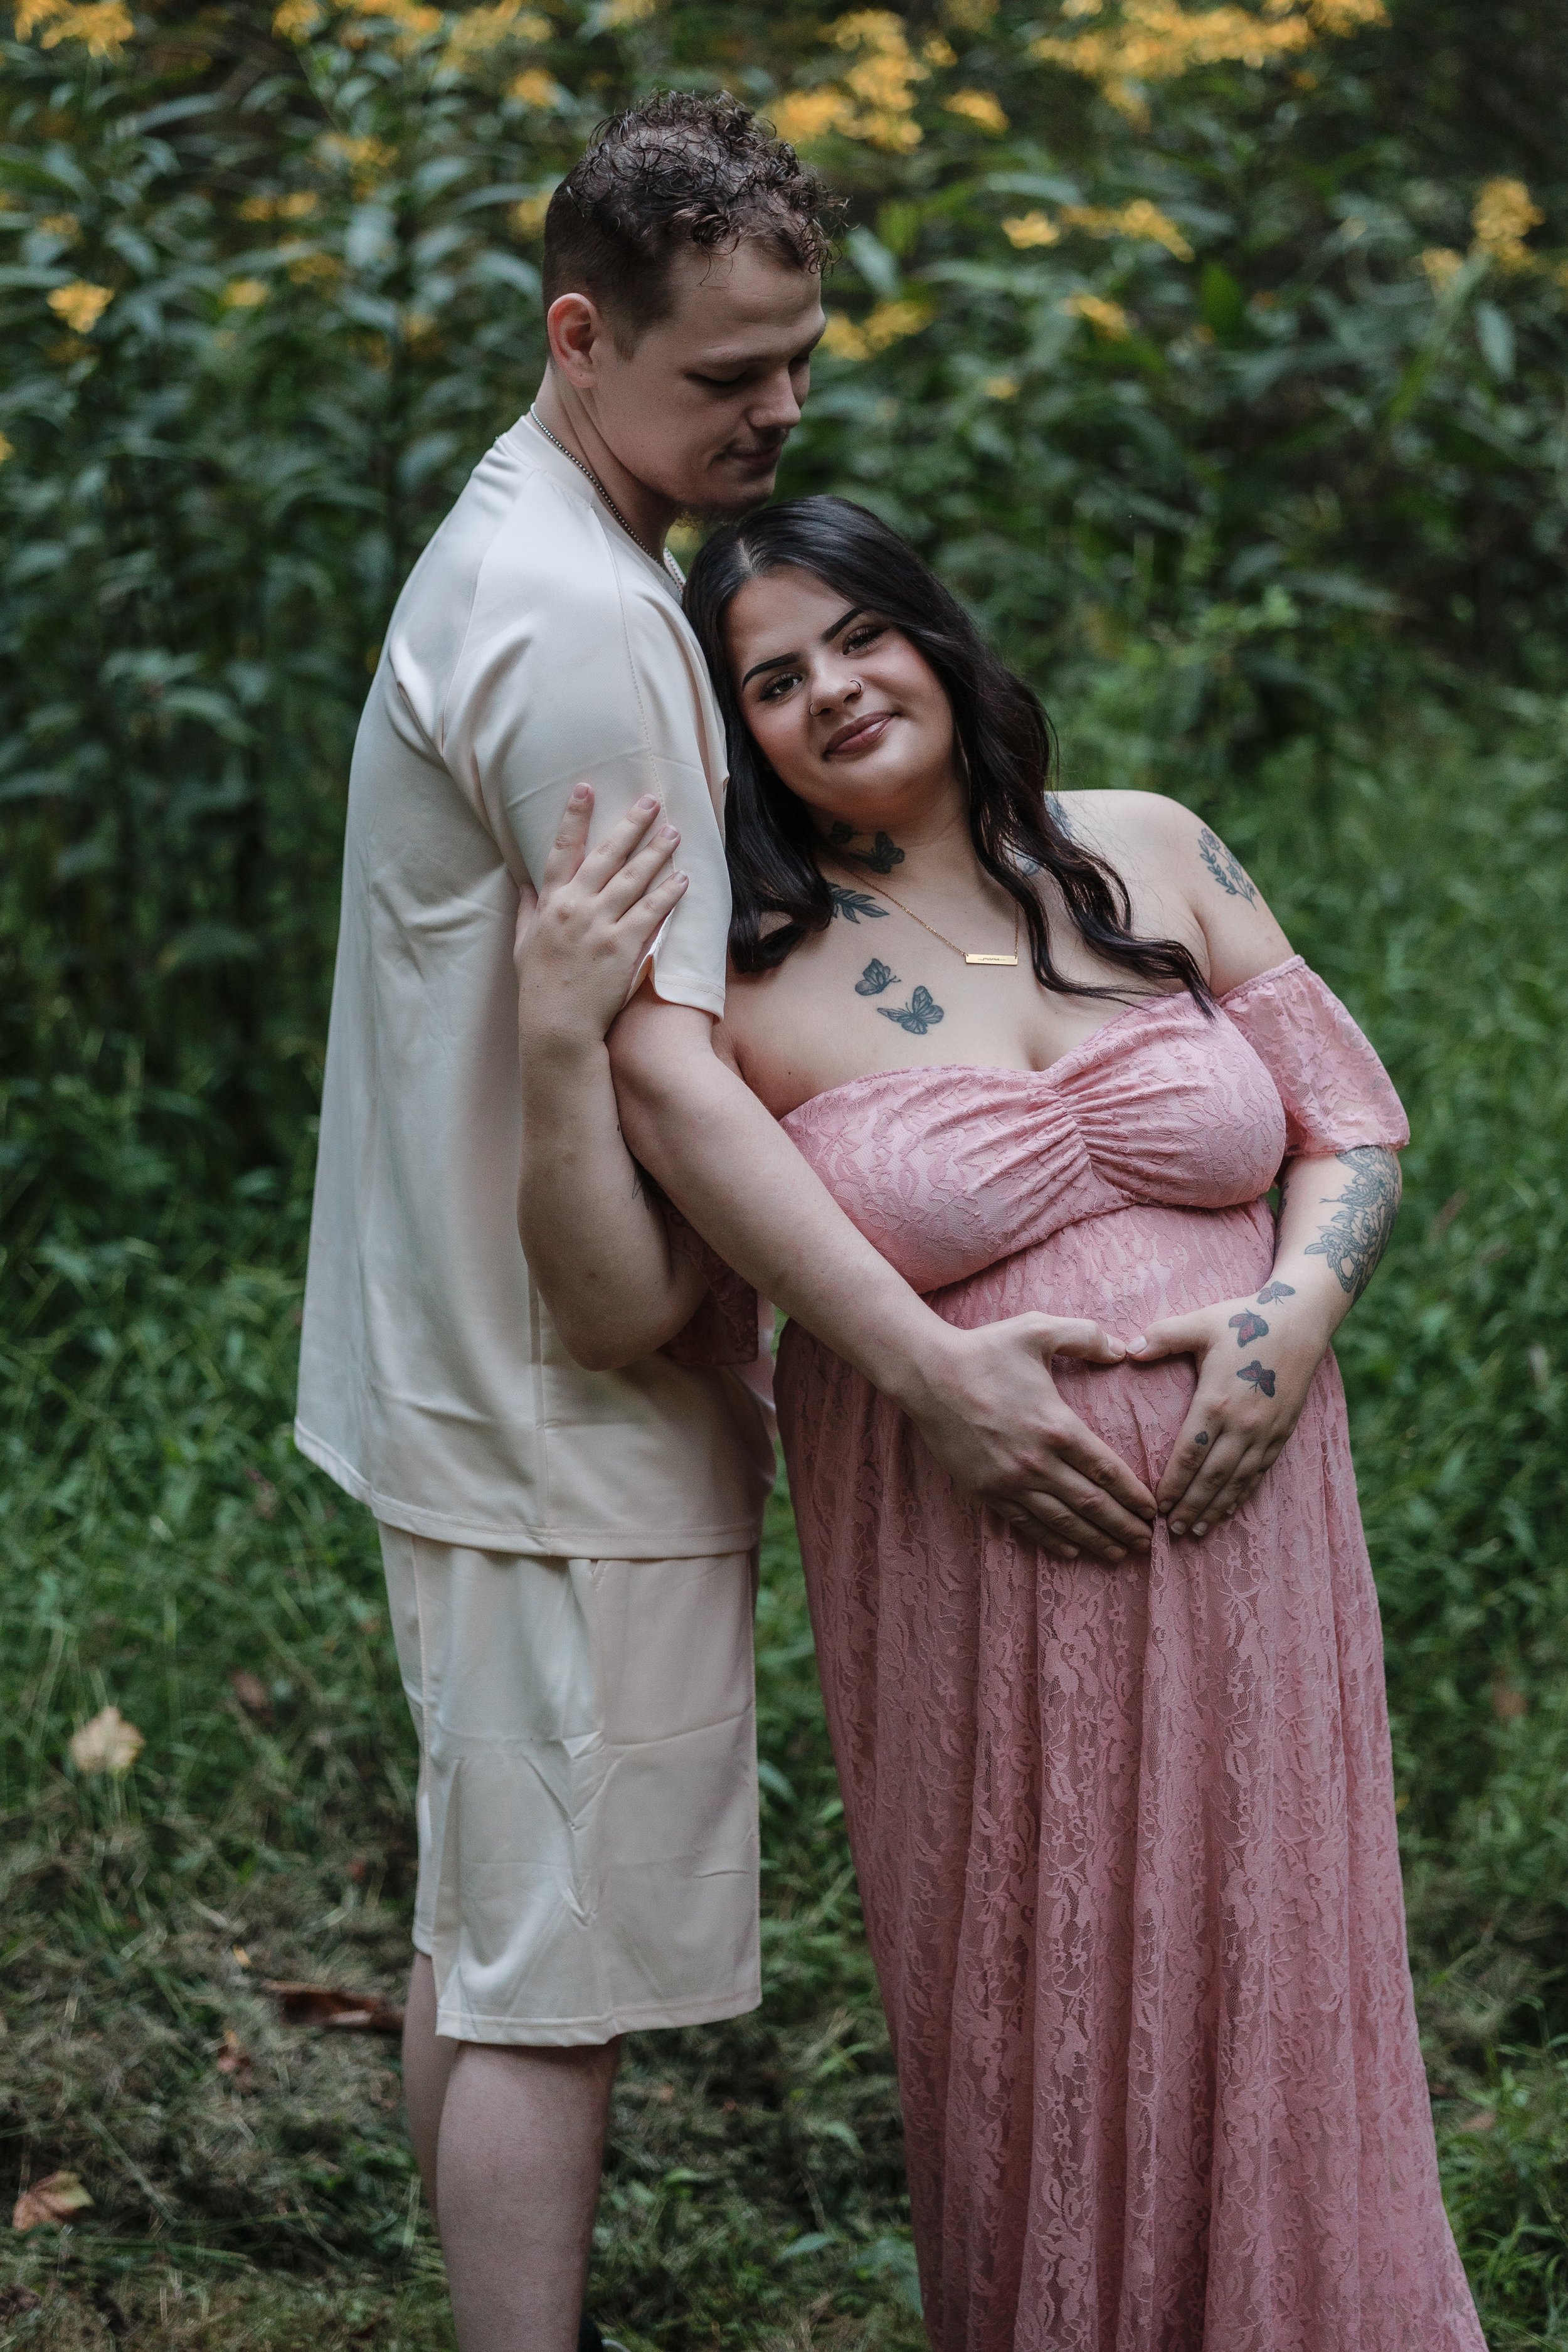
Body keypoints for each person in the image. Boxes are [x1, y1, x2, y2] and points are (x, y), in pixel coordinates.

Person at [294, 96, 1147, 2352]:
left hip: (476, 1357)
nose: (777, 411)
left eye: (798, 361)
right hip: (552, 1379)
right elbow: (664, 1066)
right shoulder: (583, 621)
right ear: (580, 335)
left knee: (494, 1920)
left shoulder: (550, 540)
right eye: (724, 376)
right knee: (549, 1969)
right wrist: (920, 1360)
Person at [512, 496, 1486, 2351]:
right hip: (972, 1541)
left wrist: (1293, 1314)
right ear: (736, 746)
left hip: (1252, 1509)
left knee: (1279, 1944)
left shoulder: (1143, 848)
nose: (830, 693)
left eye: (852, 638)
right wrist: (563, 1041)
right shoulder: (746, 980)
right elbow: (624, 1305)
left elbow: (1344, 1121)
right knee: (1043, 1977)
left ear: (929, 632)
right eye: (769, 684)